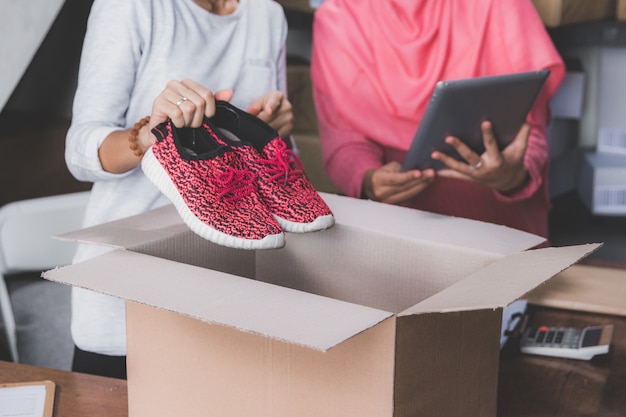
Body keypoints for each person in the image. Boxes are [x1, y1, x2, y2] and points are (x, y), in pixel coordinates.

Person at [65, 0, 294, 379]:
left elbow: (275, 167)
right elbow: (80, 151)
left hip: (235, 293)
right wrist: (150, 134)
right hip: (128, 295)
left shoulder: (267, 14)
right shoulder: (133, 7)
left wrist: (274, 131)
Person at [310, 0, 565, 239]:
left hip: (502, 235)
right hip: (395, 236)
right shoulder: (339, 17)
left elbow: (530, 131)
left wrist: (513, 174)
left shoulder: (498, 4)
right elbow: (342, 139)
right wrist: (369, 180)